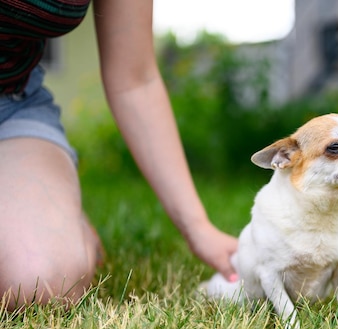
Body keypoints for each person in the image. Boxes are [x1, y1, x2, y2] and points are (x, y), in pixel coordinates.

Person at [0, 0, 238, 310]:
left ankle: (51, 219)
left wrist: (198, 227)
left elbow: (135, 80)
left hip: (11, 103)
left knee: (38, 281)